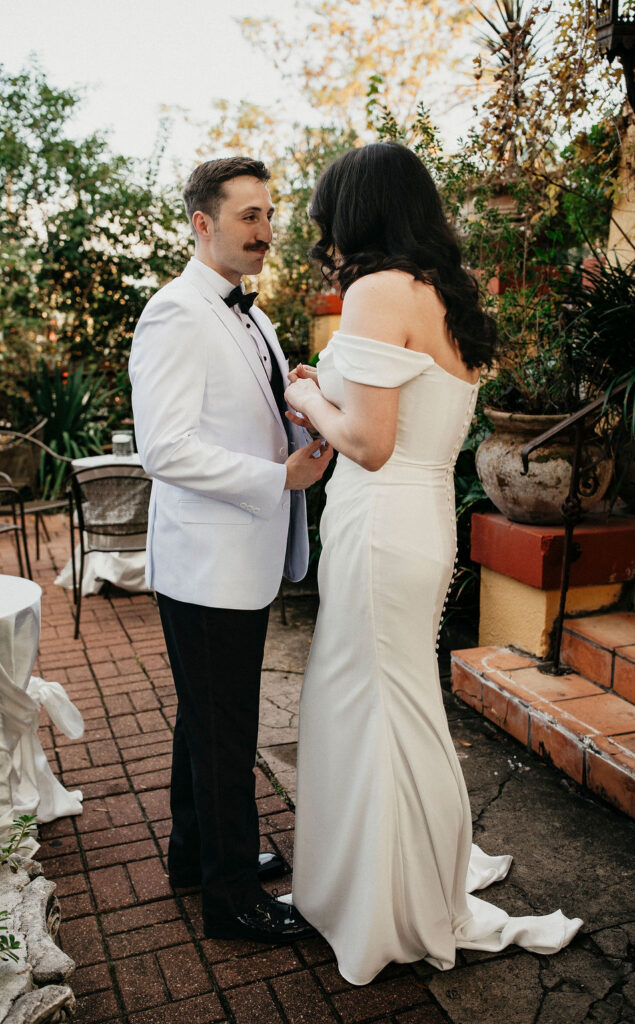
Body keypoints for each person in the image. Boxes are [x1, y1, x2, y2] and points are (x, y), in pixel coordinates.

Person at [282, 141, 582, 985]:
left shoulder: (378, 291)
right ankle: (397, 877)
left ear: (358, 211)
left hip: (379, 521)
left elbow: (369, 446)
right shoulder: (445, 293)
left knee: (377, 702)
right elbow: (404, 428)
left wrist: (307, 396)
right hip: (419, 520)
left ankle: (392, 902)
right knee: (396, 700)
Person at [129, 156, 332, 943]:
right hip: (207, 565)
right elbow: (165, 449)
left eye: (269, 214)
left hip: (236, 559)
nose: (266, 231)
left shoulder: (250, 313)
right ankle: (232, 898)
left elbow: (244, 412)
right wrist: (275, 477)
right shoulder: (177, 312)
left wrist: (300, 402)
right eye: (249, 216)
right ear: (202, 223)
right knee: (224, 732)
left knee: (203, 720)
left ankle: (193, 855)